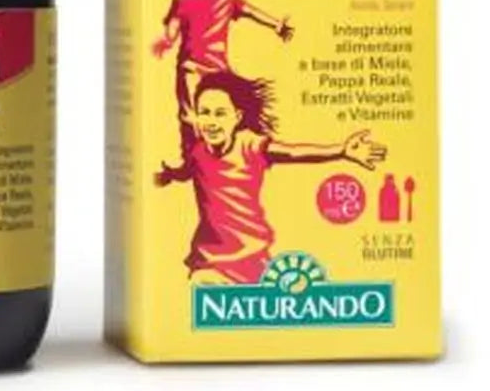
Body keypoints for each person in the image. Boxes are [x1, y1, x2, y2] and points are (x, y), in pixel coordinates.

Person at [155, 71, 387, 284]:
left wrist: (340, 151)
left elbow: (292, 152)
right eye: (204, 113)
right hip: (209, 260)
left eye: (220, 113)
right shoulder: (197, 152)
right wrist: (169, 175)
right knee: (202, 287)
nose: (212, 121)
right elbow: (188, 170)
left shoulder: (250, 145)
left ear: (237, 117)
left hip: (253, 258)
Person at [152, 0, 293, 155]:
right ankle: (192, 158)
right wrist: (166, 41)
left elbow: (251, 12)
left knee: (228, 114)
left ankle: (223, 156)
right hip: (192, 69)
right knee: (191, 117)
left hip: (219, 70)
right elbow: (173, 29)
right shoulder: (182, 1)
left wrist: (276, 25)